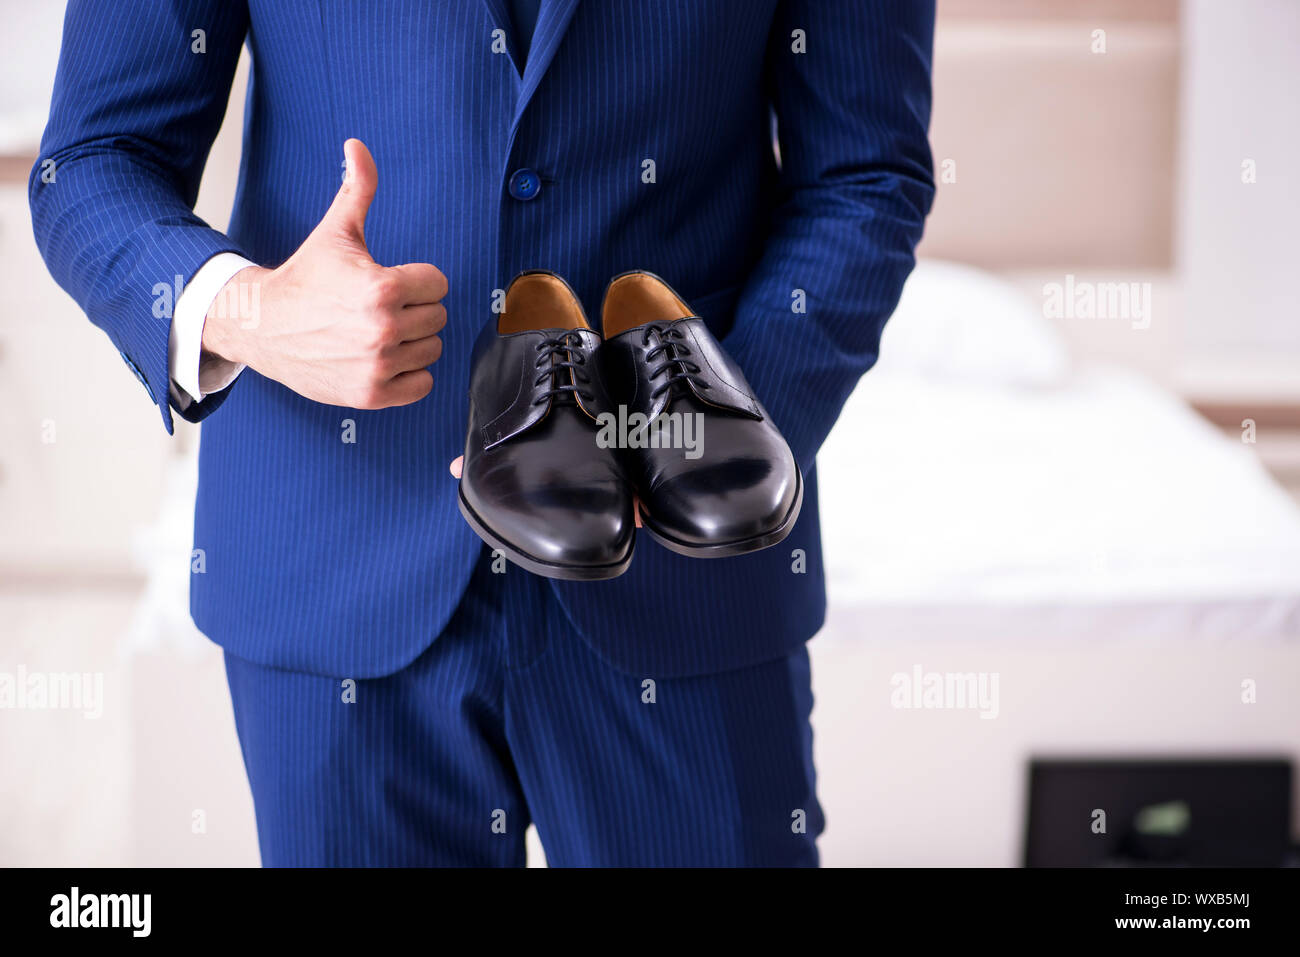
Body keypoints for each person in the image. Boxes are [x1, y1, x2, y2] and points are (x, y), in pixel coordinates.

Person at [31, 0, 935, 866]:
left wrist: (713, 441)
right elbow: (91, 162)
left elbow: (865, 174)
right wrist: (255, 311)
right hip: (338, 549)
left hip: (686, 586)